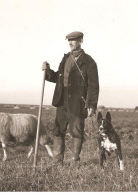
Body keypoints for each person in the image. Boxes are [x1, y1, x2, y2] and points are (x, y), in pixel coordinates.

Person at [42, 31, 99, 165]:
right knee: (58, 130)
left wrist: (91, 104)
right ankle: (57, 161)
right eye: (69, 41)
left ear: (81, 41)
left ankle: (75, 161)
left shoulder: (89, 62)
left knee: (77, 132)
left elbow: (93, 85)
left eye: (73, 40)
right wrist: (47, 71)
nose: (70, 43)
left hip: (78, 102)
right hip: (62, 100)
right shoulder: (66, 58)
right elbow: (58, 78)